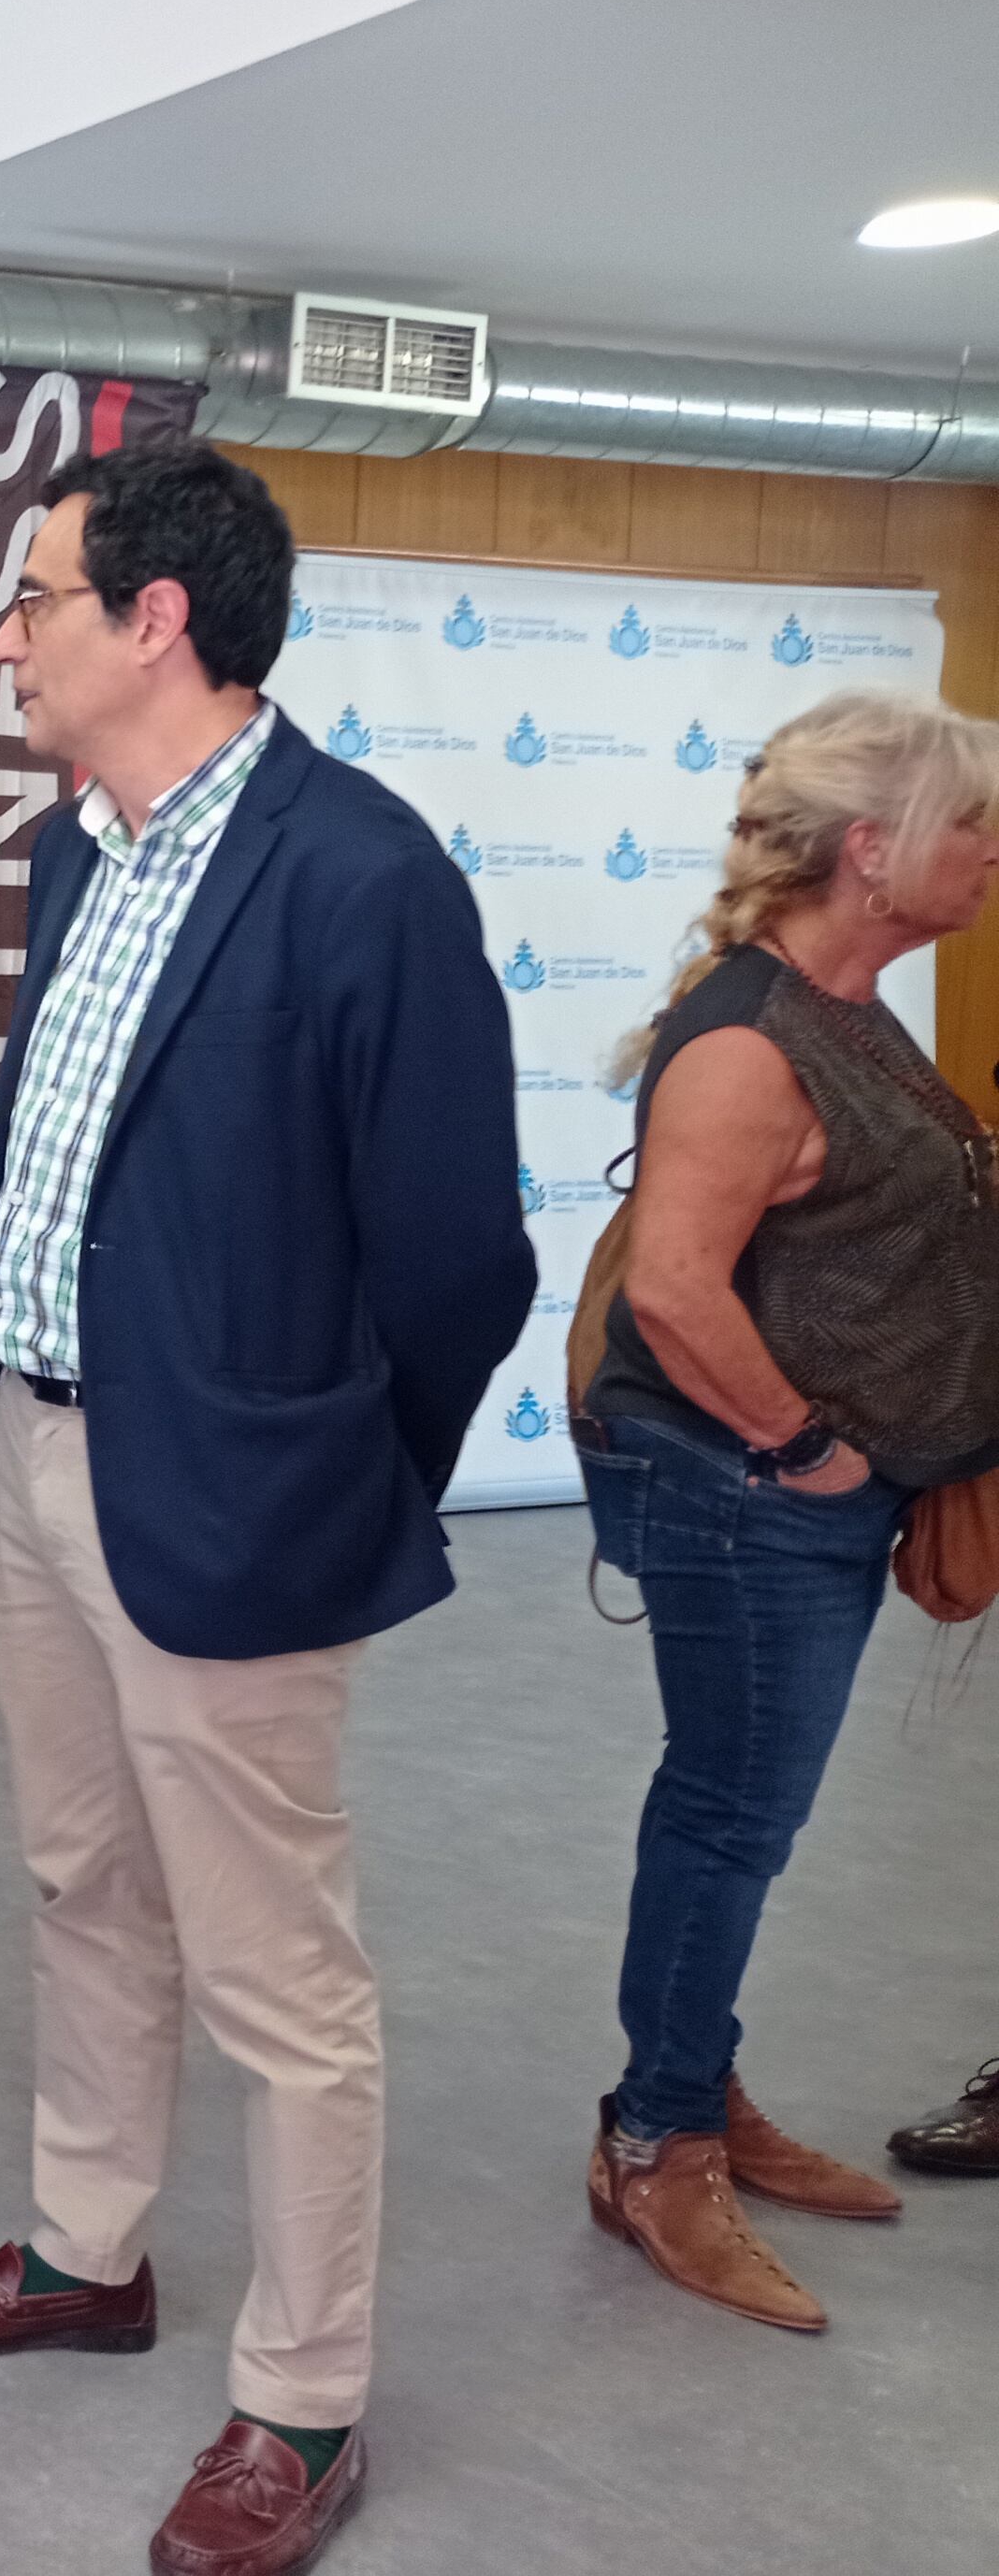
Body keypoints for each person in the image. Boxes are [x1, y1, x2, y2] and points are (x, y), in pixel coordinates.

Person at [0, 438, 532, 2576]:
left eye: (33, 597)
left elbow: (454, 1262)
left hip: (232, 1491)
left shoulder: (362, 879)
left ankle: (301, 2399)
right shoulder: (82, 858)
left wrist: (330, 1476)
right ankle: (85, 2248)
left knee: (277, 1973)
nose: (4, 636)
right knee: (77, 1879)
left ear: (156, 620)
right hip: (44, 1448)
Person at [572, 691, 999, 2329]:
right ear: (873, 850)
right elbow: (677, 1291)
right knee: (729, 1817)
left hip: (794, 1496)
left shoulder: (855, 1002)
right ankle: (656, 2144)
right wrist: (812, 1449)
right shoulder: (751, 1042)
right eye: (966, 820)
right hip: (746, 1500)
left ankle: (699, 2087)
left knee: (738, 1811)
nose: (986, 848)